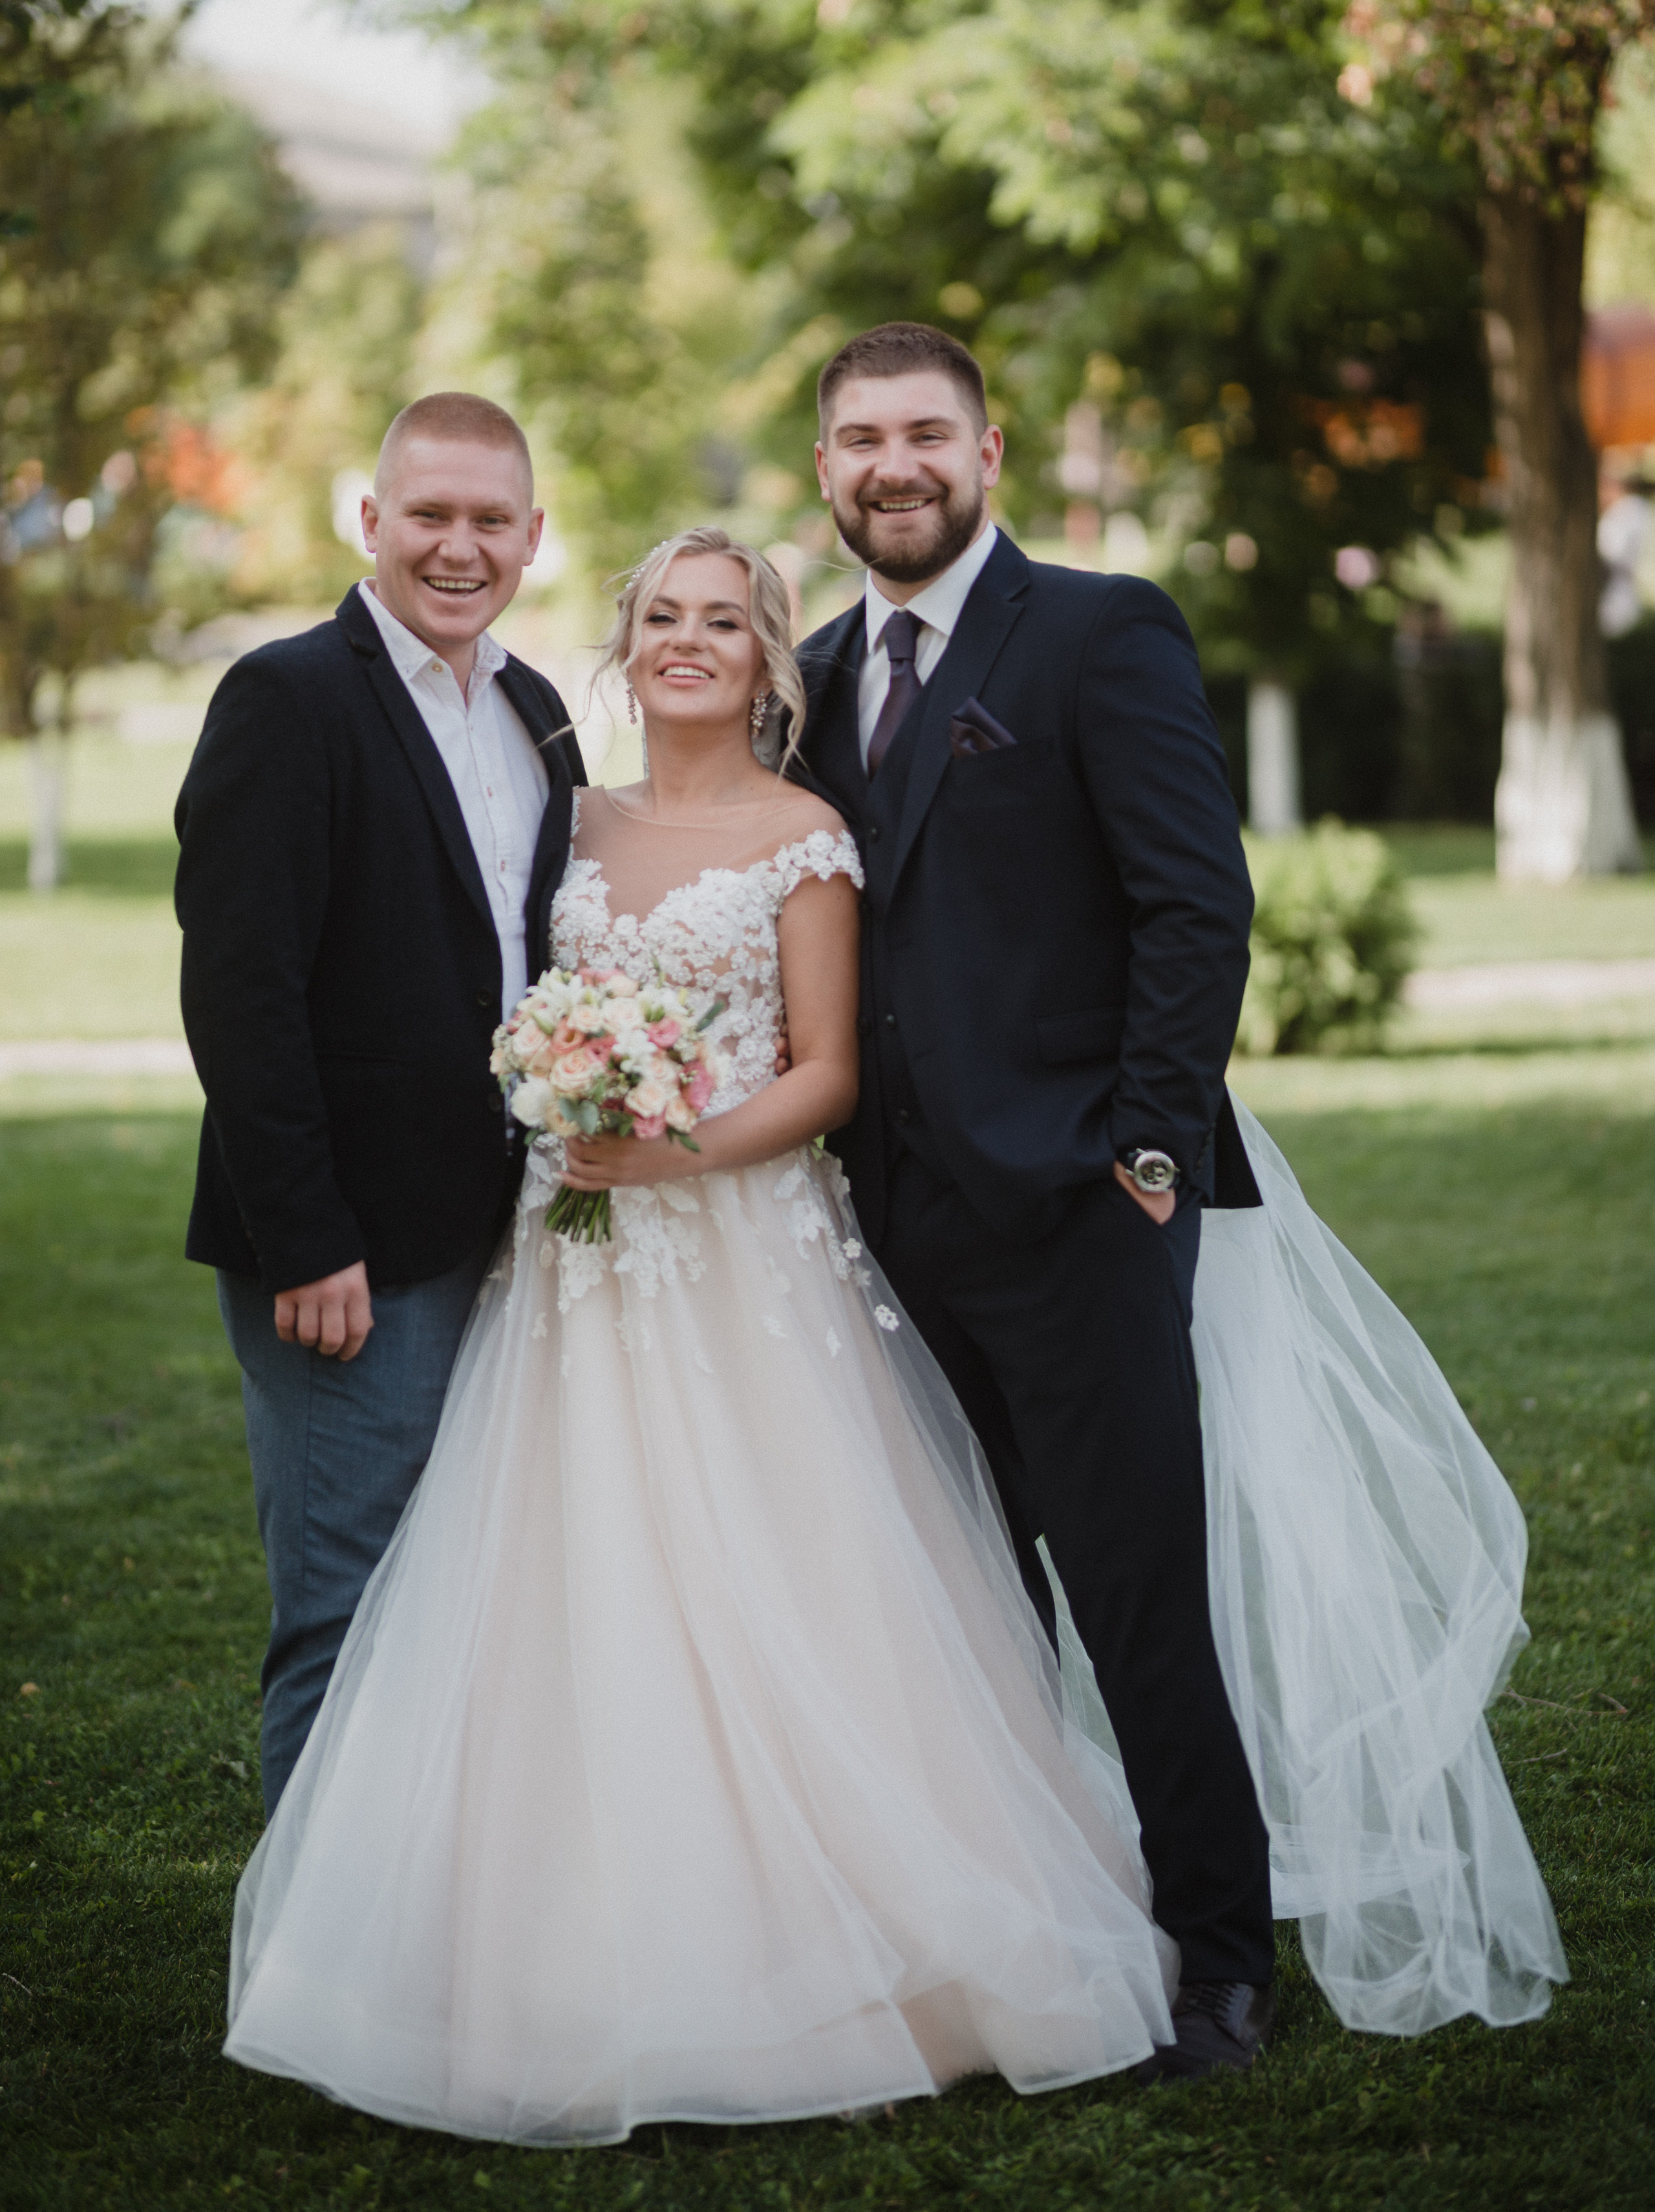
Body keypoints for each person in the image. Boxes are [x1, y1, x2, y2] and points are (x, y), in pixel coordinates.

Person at [222, 526, 1562, 2147]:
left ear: (772, 655)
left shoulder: (809, 834)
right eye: (660, 617)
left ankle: (1135, 1941)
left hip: (770, 1248)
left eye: (723, 620)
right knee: (568, 1587)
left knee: (843, 1583)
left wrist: (677, 1145)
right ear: (621, 641)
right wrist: (559, 1096)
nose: (688, 642)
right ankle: (554, 1941)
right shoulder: (559, 818)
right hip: (574, 1282)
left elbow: (829, 1067)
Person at [791, 320, 1562, 2076]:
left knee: (1142, 1601)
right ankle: (1026, 1927)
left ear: (989, 454)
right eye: (859, 438)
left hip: (1078, 1217)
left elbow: (1195, 907)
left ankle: (1216, 1956)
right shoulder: (817, 673)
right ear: (826, 468)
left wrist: (1141, 1155)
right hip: (884, 1236)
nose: (891, 463)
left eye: (924, 431)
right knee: (966, 1610)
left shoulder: (1096, 630)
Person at [176, 392, 584, 1816]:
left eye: (489, 521)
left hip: (508, 1235)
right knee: (345, 1613)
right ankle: (315, 1985)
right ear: (372, 521)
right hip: (347, 1256)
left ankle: (432, 1935)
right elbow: (240, 992)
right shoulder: (287, 699)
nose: (458, 548)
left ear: (532, 536)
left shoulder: (537, 712)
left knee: (472, 1601)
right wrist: (306, 1237)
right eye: (430, 516)